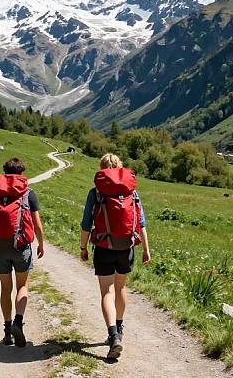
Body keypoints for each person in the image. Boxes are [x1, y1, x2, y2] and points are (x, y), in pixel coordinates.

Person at [80, 153, 151, 360]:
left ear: (102, 169)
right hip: (126, 247)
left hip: (103, 247)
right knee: (121, 288)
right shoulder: (132, 192)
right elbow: (142, 223)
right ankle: (119, 329)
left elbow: (86, 224)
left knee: (106, 292)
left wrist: (83, 247)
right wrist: (146, 249)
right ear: (120, 167)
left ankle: (112, 335)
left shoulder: (96, 193)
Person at [0, 157, 44, 347]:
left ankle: (7, 331)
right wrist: (41, 244)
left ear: (4, 171)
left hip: (0, 246)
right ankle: (18, 321)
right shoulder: (28, 193)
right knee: (22, 287)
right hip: (21, 246)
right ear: (21, 173)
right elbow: (36, 224)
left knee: (5, 289)